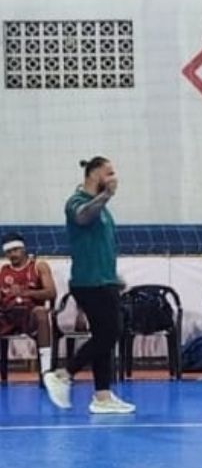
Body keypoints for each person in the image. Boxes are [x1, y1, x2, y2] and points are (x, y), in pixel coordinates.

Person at [43, 157, 133, 414]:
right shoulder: (77, 202)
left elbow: (99, 245)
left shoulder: (103, 210)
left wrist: (114, 276)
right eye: (109, 172)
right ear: (93, 174)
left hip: (105, 280)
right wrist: (105, 196)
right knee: (110, 333)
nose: (114, 177)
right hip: (88, 282)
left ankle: (102, 396)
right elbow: (83, 218)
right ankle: (63, 374)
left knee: (103, 337)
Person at [0, 233, 56, 376]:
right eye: (8, 252)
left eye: (15, 250)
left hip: (30, 314)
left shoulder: (38, 266)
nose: (12, 254)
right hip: (9, 314)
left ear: (23, 249)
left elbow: (51, 293)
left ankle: (45, 370)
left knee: (42, 313)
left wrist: (25, 293)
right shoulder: (4, 271)